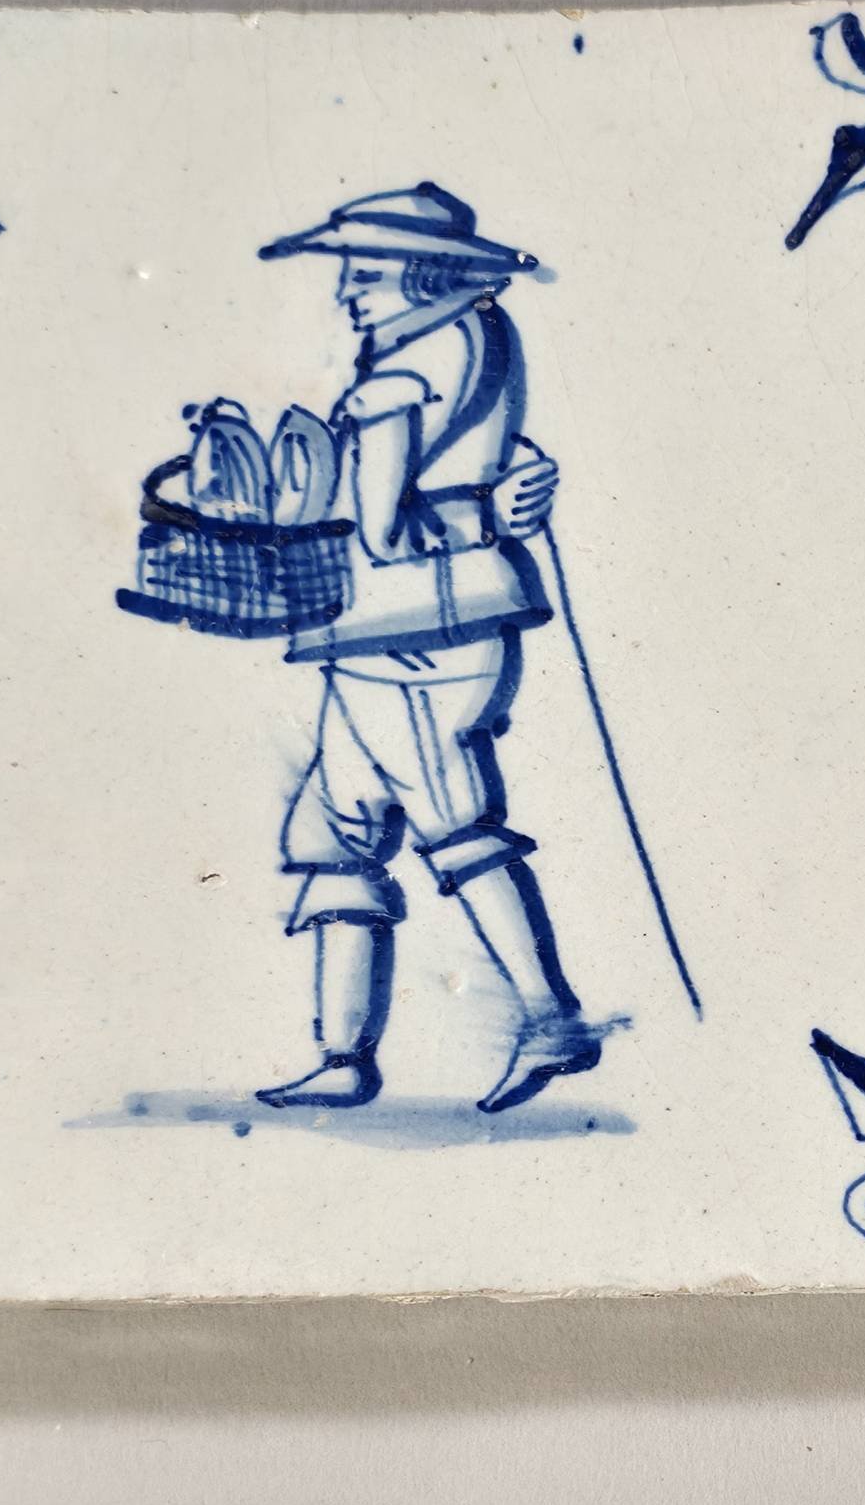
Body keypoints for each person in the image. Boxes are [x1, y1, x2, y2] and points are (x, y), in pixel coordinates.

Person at [251, 182, 602, 1114]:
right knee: (336, 830)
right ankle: (342, 1056)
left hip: (407, 634)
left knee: (451, 824)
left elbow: (381, 530)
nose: (346, 293)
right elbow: (492, 466)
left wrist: (474, 514)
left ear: (422, 275)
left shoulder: (396, 378)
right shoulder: (484, 340)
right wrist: (500, 502)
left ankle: (551, 1019)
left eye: (364, 274)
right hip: (422, 628)